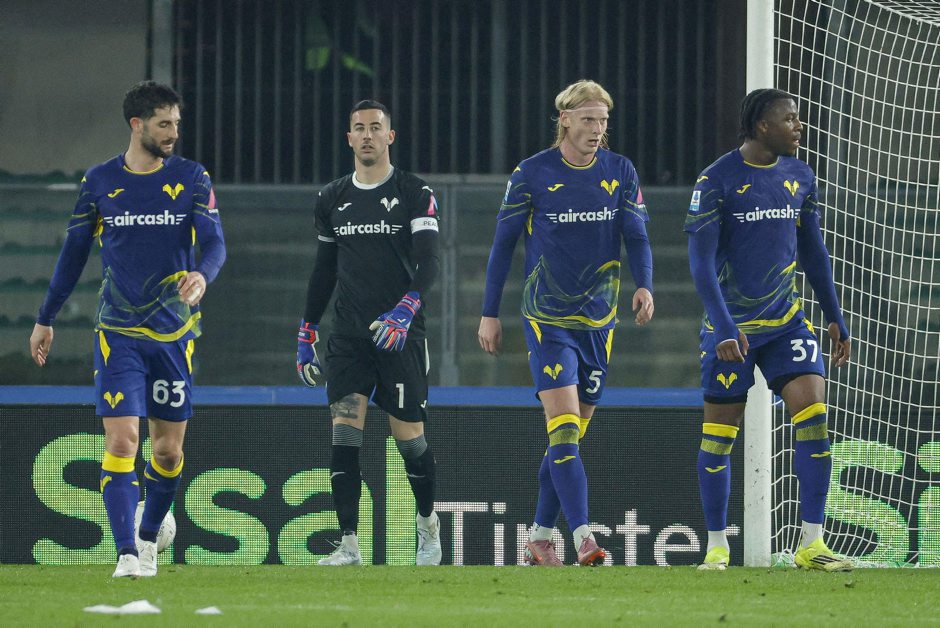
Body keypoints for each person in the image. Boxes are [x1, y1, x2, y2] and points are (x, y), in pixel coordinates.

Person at [29, 81, 226, 578]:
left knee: (168, 451)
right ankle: (127, 553)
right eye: (164, 124)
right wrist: (46, 317)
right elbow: (72, 255)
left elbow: (215, 243)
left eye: (176, 123)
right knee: (122, 442)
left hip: (174, 335)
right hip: (117, 332)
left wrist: (203, 274)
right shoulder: (99, 181)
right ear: (137, 125)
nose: (173, 132)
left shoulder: (192, 177)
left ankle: (149, 537)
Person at [478, 79, 654, 567]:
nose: (597, 129)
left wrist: (644, 285)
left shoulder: (620, 171)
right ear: (565, 119)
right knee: (563, 430)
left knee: (569, 439)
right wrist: (489, 312)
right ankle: (583, 538)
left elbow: (637, 235)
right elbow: (502, 246)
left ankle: (538, 535)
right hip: (547, 319)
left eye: (603, 120)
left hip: (599, 321)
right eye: (589, 119)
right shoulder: (532, 173)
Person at [686, 88, 852, 571]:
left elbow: (813, 251)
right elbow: (700, 264)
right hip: (731, 332)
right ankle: (717, 546)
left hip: (786, 325)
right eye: (790, 119)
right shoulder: (716, 180)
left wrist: (835, 315)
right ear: (762, 126)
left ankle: (812, 544)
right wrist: (723, 327)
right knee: (719, 437)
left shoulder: (800, 175)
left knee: (814, 417)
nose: (799, 126)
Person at [296, 99, 442, 566]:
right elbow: (323, 269)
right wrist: (307, 330)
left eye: (375, 127)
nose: (367, 135)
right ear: (349, 138)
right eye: (358, 128)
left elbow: (430, 260)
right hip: (349, 337)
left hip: (400, 335)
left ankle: (428, 524)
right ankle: (349, 545)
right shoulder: (332, 197)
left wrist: (407, 307)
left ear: (390, 136)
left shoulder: (414, 191)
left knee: (410, 440)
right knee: (344, 435)